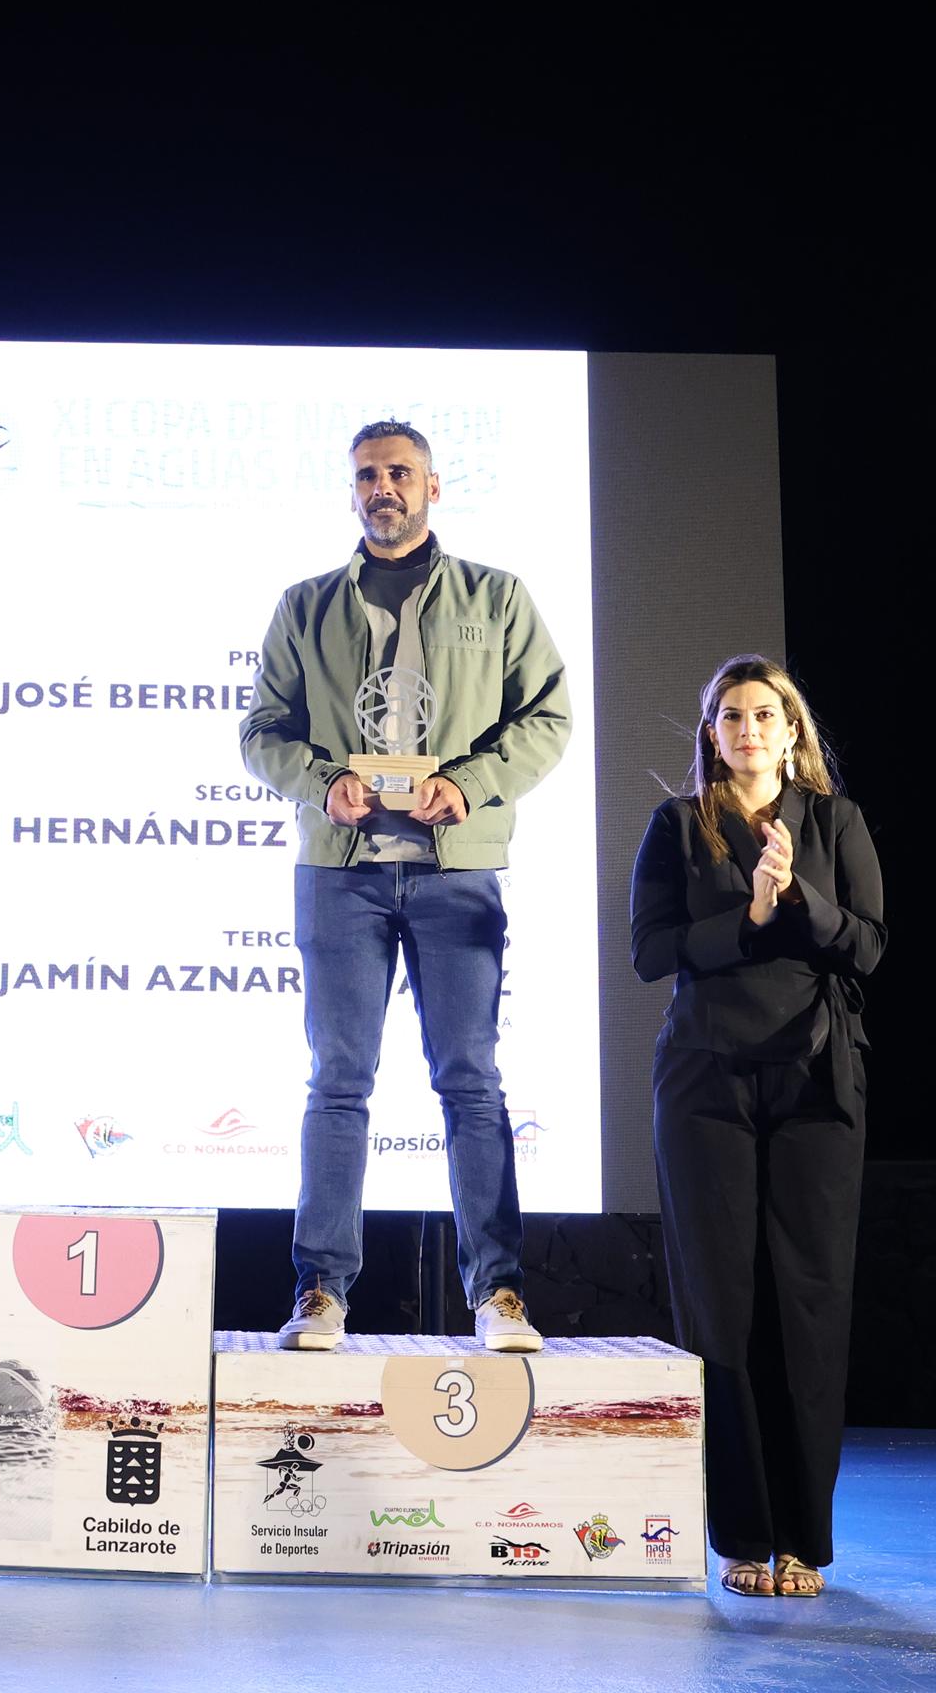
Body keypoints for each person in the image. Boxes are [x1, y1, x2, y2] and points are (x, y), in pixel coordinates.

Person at [239, 418, 571, 1354]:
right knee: (337, 1082)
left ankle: (497, 1293)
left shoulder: (497, 598)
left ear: (432, 487)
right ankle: (320, 1291)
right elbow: (263, 729)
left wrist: (466, 784)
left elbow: (548, 717)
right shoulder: (305, 605)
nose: (382, 487)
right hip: (339, 877)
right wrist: (323, 782)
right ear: (352, 492)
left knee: (471, 1081)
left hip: (455, 874)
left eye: (399, 473)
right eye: (367, 476)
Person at [629, 655, 885, 1599]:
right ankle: (740, 1535)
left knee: (808, 1307)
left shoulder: (834, 822)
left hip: (817, 1083)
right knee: (721, 1308)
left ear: (792, 731)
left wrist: (802, 903)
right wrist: (752, 914)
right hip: (704, 1086)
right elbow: (651, 950)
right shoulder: (677, 826)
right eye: (730, 716)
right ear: (712, 733)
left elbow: (869, 944)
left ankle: (802, 1544)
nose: (747, 730)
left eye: (764, 715)